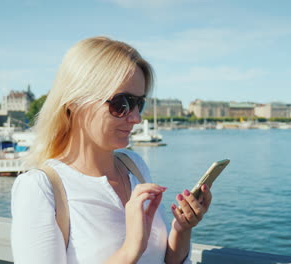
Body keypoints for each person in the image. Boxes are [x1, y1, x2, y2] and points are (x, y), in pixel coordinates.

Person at [11, 36, 212, 264]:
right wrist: (130, 250)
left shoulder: (134, 165)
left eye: (139, 104)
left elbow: (164, 260)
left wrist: (181, 228)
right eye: (121, 104)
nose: (136, 118)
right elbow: (135, 252)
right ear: (76, 102)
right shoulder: (40, 188)